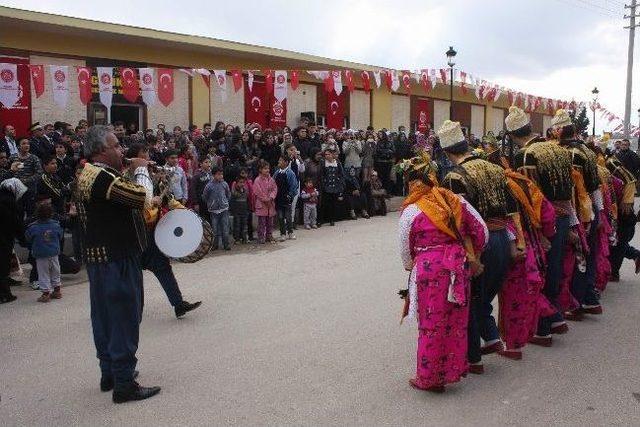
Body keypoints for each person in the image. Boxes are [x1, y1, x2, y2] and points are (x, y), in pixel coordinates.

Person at [77, 125, 160, 403]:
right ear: (101, 150)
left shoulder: (91, 173)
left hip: (102, 259)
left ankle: (110, 372)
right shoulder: (102, 176)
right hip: (118, 257)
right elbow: (142, 198)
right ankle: (124, 382)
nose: (121, 150)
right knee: (125, 316)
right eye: (115, 146)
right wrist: (140, 170)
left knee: (104, 317)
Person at [398, 152, 487, 393]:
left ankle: (429, 378)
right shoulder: (455, 200)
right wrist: (473, 254)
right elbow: (482, 230)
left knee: (431, 323)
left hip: (428, 269)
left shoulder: (411, 210)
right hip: (457, 267)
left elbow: (405, 248)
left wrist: (410, 265)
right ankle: (452, 370)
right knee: (455, 321)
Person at [439, 120, 517, 372]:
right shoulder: (494, 168)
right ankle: (493, 338)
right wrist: (516, 241)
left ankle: (473, 358)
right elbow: (511, 207)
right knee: (484, 295)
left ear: (448, 152)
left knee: (470, 299)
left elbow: (461, 223)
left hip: (479, 244)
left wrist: (471, 255)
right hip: (503, 237)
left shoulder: (454, 176)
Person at [509, 107, 575, 346]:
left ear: (514, 135)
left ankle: (543, 327)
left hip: (544, 219)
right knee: (555, 269)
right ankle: (555, 318)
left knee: (538, 272)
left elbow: (530, 197)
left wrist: (534, 230)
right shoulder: (557, 148)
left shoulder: (527, 155)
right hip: (564, 213)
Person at [126, 144, 202, 318]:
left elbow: (169, 200)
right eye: (142, 155)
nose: (146, 159)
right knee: (130, 274)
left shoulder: (153, 180)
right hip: (132, 234)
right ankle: (128, 309)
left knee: (162, 267)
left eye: (147, 154)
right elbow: (132, 206)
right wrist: (151, 202)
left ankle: (178, 304)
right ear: (132, 159)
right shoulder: (125, 180)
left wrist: (186, 213)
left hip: (152, 233)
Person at [551, 110, 603, 319]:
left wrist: (574, 219)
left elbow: (573, 189)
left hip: (577, 211)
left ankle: (576, 302)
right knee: (586, 254)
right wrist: (598, 212)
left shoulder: (568, 154)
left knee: (575, 257)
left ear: (560, 131)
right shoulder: (587, 151)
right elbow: (596, 186)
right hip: (590, 207)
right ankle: (589, 298)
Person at [25, 202, 63, 303]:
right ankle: (57, 290)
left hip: (41, 254)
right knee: (56, 271)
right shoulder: (56, 225)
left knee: (43, 273)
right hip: (54, 252)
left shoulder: (33, 227)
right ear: (51, 213)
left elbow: (28, 238)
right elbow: (60, 235)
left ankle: (46, 294)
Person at [0, 178, 27, 303]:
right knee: (3, 267)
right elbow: (15, 223)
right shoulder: (9, 203)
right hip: (3, 239)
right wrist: (23, 239)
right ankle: (5, 295)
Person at [10, 137, 42, 217]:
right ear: (18, 146)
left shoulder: (34, 158)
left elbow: (39, 173)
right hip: (16, 190)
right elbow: (9, 172)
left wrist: (26, 180)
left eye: (28, 143)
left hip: (30, 190)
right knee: (17, 213)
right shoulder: (12, 158)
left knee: (30, 213)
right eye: (23, 143)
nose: (27, 145)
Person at [202, 166, 231, 251]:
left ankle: (226, 244)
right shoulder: (209, 186)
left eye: (222, 174)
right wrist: (211, 203)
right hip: (213, 211)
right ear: (213, 175)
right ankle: (215, 245)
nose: (221, 176)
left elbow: (228, 194)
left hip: (224, 209)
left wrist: (225, 202)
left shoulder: (224, 184)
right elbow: (205, 197)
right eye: (218, 174)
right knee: (214, 229)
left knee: (225, 228)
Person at [253, 160, 277, 244]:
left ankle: (269, 235)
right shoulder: (257, 180)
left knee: (270, 222)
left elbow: (274, 189)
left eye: (268, 168)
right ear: (260, 169)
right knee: (262, 223)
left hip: (270, 204)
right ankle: (261, 237)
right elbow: (257, 192)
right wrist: (265, 199)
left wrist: (271, 197)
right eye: (265, 168)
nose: (267, 170)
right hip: (262, 204)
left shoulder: (271, 179)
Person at [273, 155, 297, 241]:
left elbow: (294, 186)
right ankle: (282, 233)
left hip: (287, 199)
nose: (279, 162)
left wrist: (290, 196)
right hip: (278, 198)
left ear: (286, 162)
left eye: (281, 161)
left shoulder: (290, 173)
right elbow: (273, 184)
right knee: (280, 217)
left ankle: (290, 232)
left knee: (288, 217)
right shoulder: (276, 173)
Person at [320, 149, 346, 226]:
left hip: (335, 186)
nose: (326, 156)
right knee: (325, 204)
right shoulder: (323, 163)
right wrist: (323, 184)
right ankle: (322, 220)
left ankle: (332, 219)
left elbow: (341, 175)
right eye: (325, 155)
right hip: (326, 186)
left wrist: (340, 185)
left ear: (332, 155)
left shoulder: (337, 163)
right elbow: (321, 174)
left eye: (328, 154)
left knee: (334, 204)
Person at [191, 157, 213, 221]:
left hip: (211, 201)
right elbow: (193, 189)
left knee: (211, 219)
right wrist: (195, 203)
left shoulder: (212, 174)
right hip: (201, 202)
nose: (208, 164)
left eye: (209, 162)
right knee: (202, 219)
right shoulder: (197, 175)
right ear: (200, 164)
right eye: (206, 162)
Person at [230, 175, 250, 244]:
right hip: (237, 212)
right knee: (237, 226)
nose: (242, 184)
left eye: (243, 182)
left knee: (244, 226)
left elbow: (246, 198)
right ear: (236, 183)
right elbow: (235, 196)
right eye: (240, 182)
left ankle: (244, 238)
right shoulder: (234, 191)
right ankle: (237, 239)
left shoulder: (245, 190)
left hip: (244, 211)